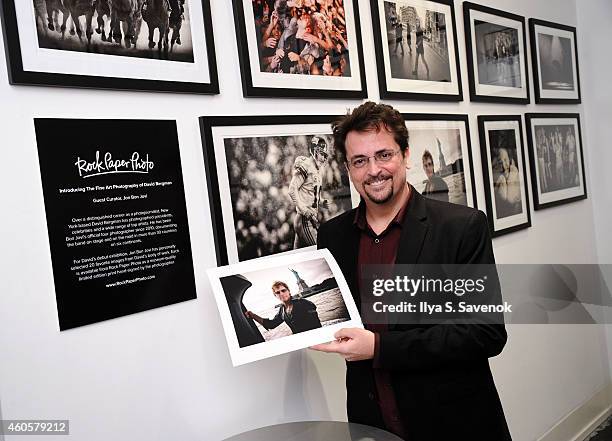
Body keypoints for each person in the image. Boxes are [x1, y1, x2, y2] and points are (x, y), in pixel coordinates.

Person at [311, 102, 511, 440]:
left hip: (456, 424)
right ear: (348, 167)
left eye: (383, 155)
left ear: (405, 154)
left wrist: (379, 347)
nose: (373, 170)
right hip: (372, 423)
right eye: (360, 161)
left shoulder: (461, 227)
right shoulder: (332, 236)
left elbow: (486, 333)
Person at [288, 136, 329, 248]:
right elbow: (292, 190)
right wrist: (305, 210)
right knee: (320, 249)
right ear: (315, 151)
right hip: (305, 219)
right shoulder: (306, 165)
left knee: (298, 257)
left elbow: (312, 195)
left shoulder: (317, 171)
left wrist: (321, 201)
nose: (324, 158)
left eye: (325, 155)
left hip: (307, 219)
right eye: (322, 154)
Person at [244, 281, 322, 334]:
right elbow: (271, 324)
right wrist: (253, 315)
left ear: (289, 291)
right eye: (278, 292)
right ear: (275, 296)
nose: (281, 294)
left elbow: (316, 325)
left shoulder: (303, 303)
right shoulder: (282, 310)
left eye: (283, 290)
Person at [494, 147, 522, 218]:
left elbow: (513, 200)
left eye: (505, 160)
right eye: (500, 162)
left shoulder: (515, 174)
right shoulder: (498, 179)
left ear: (510, 160)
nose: (503, 166)